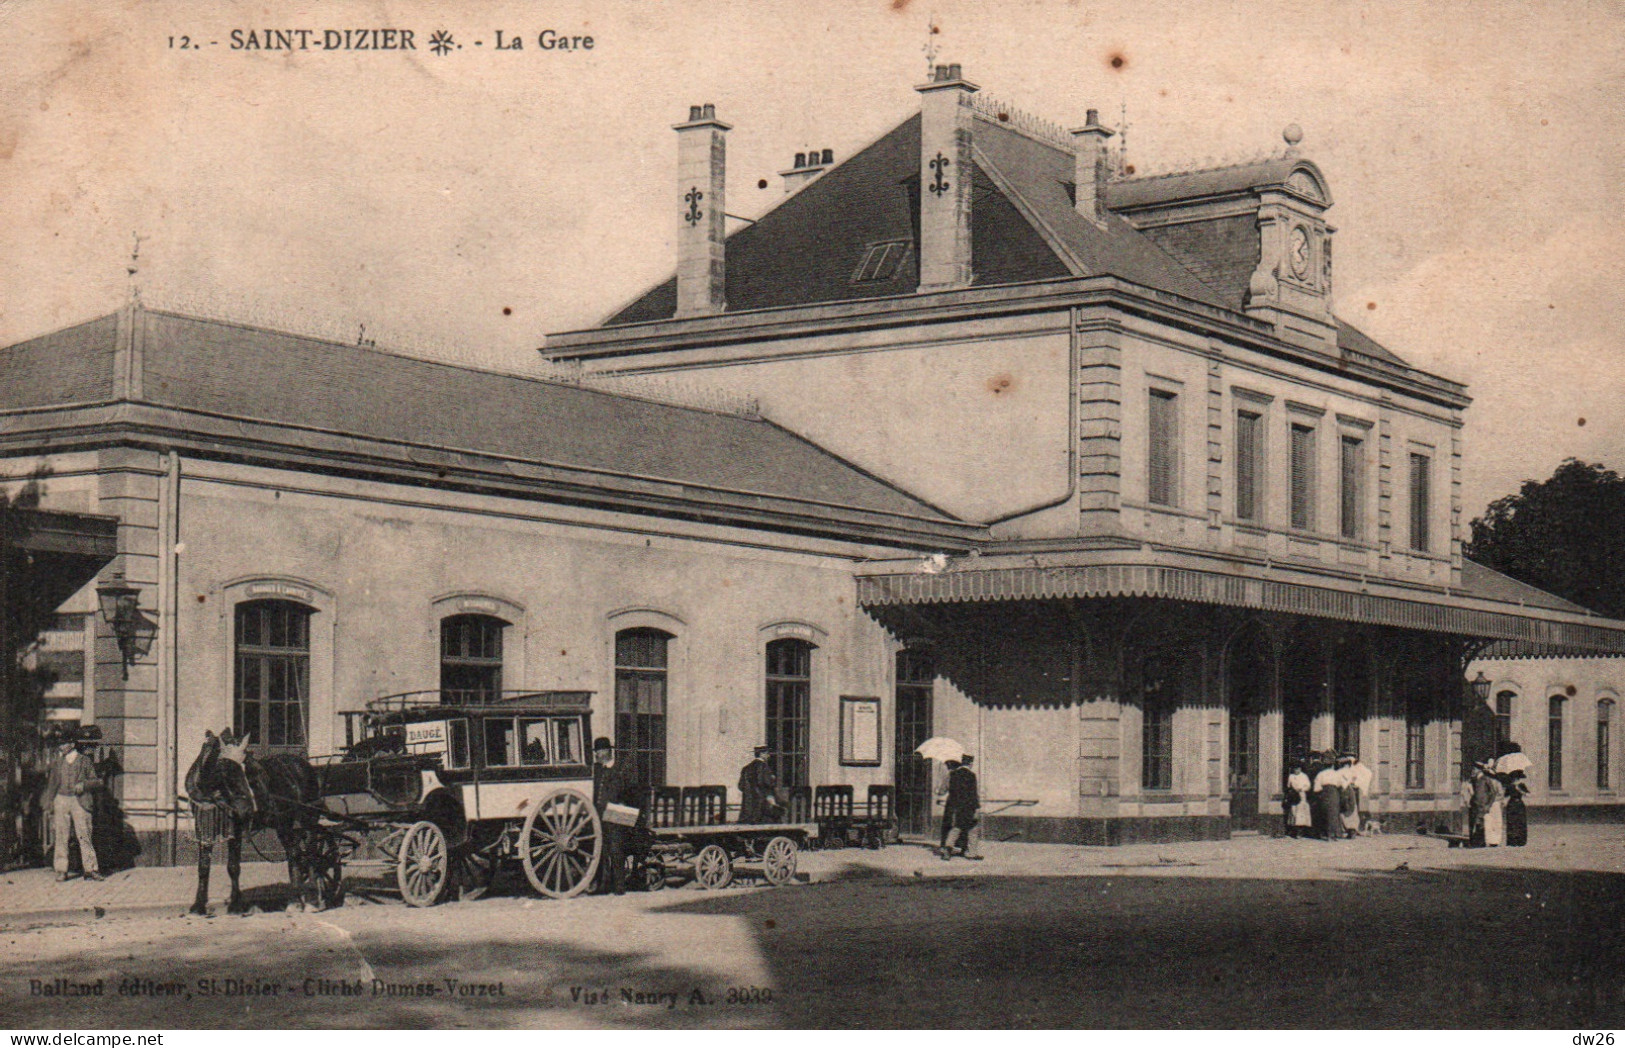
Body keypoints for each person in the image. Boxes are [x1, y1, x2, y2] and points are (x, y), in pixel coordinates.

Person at [42, 731, 103, 881]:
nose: (61, 747)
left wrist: (84, 785)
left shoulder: (84, 761)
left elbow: (96, 781)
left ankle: (91, 869)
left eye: (63, 744)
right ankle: (61, 870)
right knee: (61, 836)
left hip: (80, 801)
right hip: (61, 800)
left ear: (72, 744)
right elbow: (52, 785)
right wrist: (49, 803)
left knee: (84, 835)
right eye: (60, 744)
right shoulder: (58, 762)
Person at [590, 737, 640, 895]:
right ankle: (603, 885)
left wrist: (623, 805)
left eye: (599, 751)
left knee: (616, 849)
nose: (597, 754)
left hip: (617, 812)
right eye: (596, 751)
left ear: (607, 751)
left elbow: (631, 791)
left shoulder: (620, 769)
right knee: (601, 849)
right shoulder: (597, 769)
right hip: (599, 813)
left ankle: (619, 886)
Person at [940, 755, 982, 860]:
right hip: (968, 807)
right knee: (973, 829)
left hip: (956, 806)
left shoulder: (953, 774)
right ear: (970, 763)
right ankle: (971, 853)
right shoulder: (971, 775)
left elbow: (950, 790)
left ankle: (948, 848)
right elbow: (973, 794)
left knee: (956, 828)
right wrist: (976, 808)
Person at [737, 745, 782, 824]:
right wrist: (772, 779)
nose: (769, 756)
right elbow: (766, 783)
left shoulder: (746, 768)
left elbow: (741, 786)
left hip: (748, 805)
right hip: (762, 803)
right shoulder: (764, 767)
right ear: (761, 754)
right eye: (767, 753)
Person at [1312, 752, 1347, 841]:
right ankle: (1333, 834)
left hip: (1323, 793)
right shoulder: (1336, 774)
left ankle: (1326, 834)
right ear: (1332, 765)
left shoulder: (1321, 774)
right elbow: (1342, 785)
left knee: (1324, 812)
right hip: (1334, 793)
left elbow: (1316, 788)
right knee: (1334, 813)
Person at [1346, 753, 1374, 835]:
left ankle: (1362, 829)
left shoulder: (1360, 768)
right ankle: (1358, 828)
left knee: (1361, 810)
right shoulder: (1355, 767)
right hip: (1360, 791)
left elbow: (1364, 776)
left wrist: (1356, 782)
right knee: (1359, 809)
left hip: (1361, 791)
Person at [1284, 762, 1312, 838]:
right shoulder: (1291, 776)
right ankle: (1294, 830)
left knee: (1301, 813)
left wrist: (1302, 788)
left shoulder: (1304, 776)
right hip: (1293, 796)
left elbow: (1308, 786)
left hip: (1301, 795)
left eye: (1298, 769)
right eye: (1295, 769)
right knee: (1294, 812)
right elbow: (1288, 785)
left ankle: (1300, 831)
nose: (1296, 770)